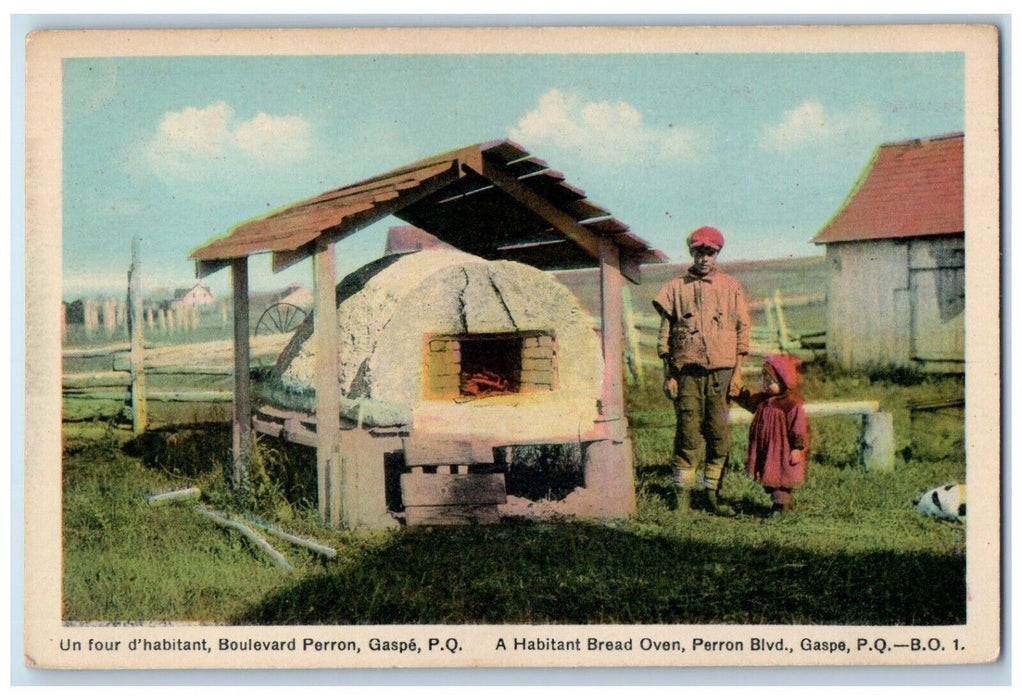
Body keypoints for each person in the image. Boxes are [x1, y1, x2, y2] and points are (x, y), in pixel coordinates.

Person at [652, 226, 751, 515]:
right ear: (692, 253)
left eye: (710, 252)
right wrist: (668, 374)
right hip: (687, 374)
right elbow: (665, 335)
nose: (704, 258)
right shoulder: (674, 288)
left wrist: (739, 372)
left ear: (717, 253)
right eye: (699, 252)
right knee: (687, 433)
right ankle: (681, 499)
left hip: (722, 372)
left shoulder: (731, 286)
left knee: (719, 435)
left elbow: (742, 329)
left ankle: (711, 496)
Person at [734, 354, 809, 518]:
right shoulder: (763, 399)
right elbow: (749, 402)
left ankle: (780, 507)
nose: (766, 384)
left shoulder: (791, 405)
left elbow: (798, 427)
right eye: (764, 380)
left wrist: (797, 448)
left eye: (770, 381)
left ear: (783, 382)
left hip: (781, 450)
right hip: (767, 449)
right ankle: (782, 505)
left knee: (780, 478)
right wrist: (737, 394)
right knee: (770, 476)